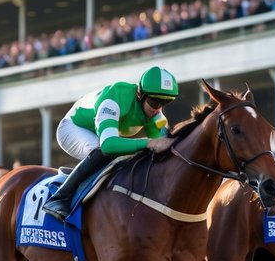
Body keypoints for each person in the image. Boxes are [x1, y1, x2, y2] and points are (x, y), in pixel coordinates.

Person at [42, 65, 178, 222]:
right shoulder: (114, 98)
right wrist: (147, 142)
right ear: (141, 95)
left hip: (100, 134)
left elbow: (164, 144)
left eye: (164, 102)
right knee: (103, 152)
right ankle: (59, 198)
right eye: (155, 102)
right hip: (72, 128)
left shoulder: (156, 115)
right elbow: (108, 145)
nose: (158, 109)